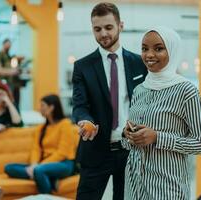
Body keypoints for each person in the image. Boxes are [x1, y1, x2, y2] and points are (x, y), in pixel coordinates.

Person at [122, 26, 201, 200]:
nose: (149, 55)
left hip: (167, 189)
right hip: (135, 187)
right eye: (144, 49)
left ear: (172, 50)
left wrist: (157, 137)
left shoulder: (186, 91)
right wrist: (128, 135)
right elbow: (131, 144)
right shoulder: (140, 89)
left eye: (158, 48)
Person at [72, 2, 147, 200]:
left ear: (120, 25)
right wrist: (85, 121)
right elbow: (80, 105)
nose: (103, 33)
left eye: (108, 27)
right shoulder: (82, 67)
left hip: (130, 150)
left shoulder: (139, 63)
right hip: (95, 149)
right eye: (97, 29)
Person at [4, 94, 78, 194]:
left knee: (39, 170)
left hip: (64, 163)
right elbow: (36, 149)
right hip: (42, 164)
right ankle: (49, 178)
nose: (40, 108)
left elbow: (63, 152)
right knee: (9, 168)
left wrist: (39, 166)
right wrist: (34, 164)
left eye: (42, 105)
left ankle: (45, 191)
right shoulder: (41, 128)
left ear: (51, 107)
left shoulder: (65, 124)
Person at [0, 39, 23, 108]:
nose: (9, 46)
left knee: (14, 105)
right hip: (3, 85)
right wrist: (13, 71)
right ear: (3, 44)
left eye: (10, 45)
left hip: (12, 85)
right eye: (8, 44)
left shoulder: (8, 56)